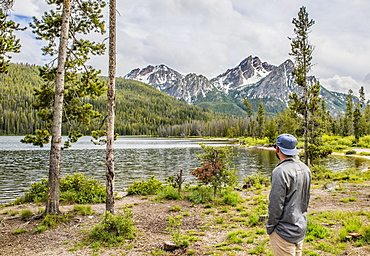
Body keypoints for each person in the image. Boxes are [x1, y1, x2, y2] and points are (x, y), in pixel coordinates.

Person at [266, 134, 311, 256]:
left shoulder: (280, 171)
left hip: (283, 232)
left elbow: (276, 205)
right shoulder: (305, 168)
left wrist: (270, 227)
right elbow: (306, 199)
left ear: (277, 149)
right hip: (299, 227)